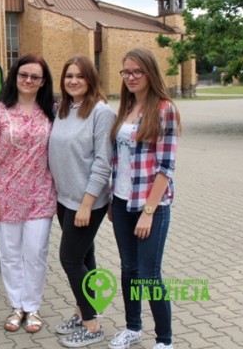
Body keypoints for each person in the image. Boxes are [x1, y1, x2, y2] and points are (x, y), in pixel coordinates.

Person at [108, 48, 180, 349]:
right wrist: (114, 199)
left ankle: (164, 341)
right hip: (122, 201)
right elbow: (118, 159)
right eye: (126, 72)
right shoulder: (124, 109)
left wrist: (148, 212)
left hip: (151, 204)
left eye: (137, 71)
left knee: (149, 274)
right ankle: (133, 328)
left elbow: (166, 168)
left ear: (150, 73)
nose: (131, 77)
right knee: (129, 269)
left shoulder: (165, 109)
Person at [0, 53, 56, 334]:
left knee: (35, 253)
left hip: (41, 195)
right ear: (14, 77)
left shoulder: (51, 111)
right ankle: (17, 306)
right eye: (23, 74)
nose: (28, 80)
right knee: (10, 254)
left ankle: (33, 307)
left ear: (43, 81)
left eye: (35, 76)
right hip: (5, 196)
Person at [48, 55, 116, 347]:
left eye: (80, 76)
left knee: (71, 259)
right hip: (64, 198)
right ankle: (82, 310)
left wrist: (86, 204)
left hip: (86, 201)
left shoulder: (102, 112)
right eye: (68, 76)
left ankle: (92, 326)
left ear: (91, 79)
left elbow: (103, 162)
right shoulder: (63, 109)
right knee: (85, 258)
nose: (73, 81)